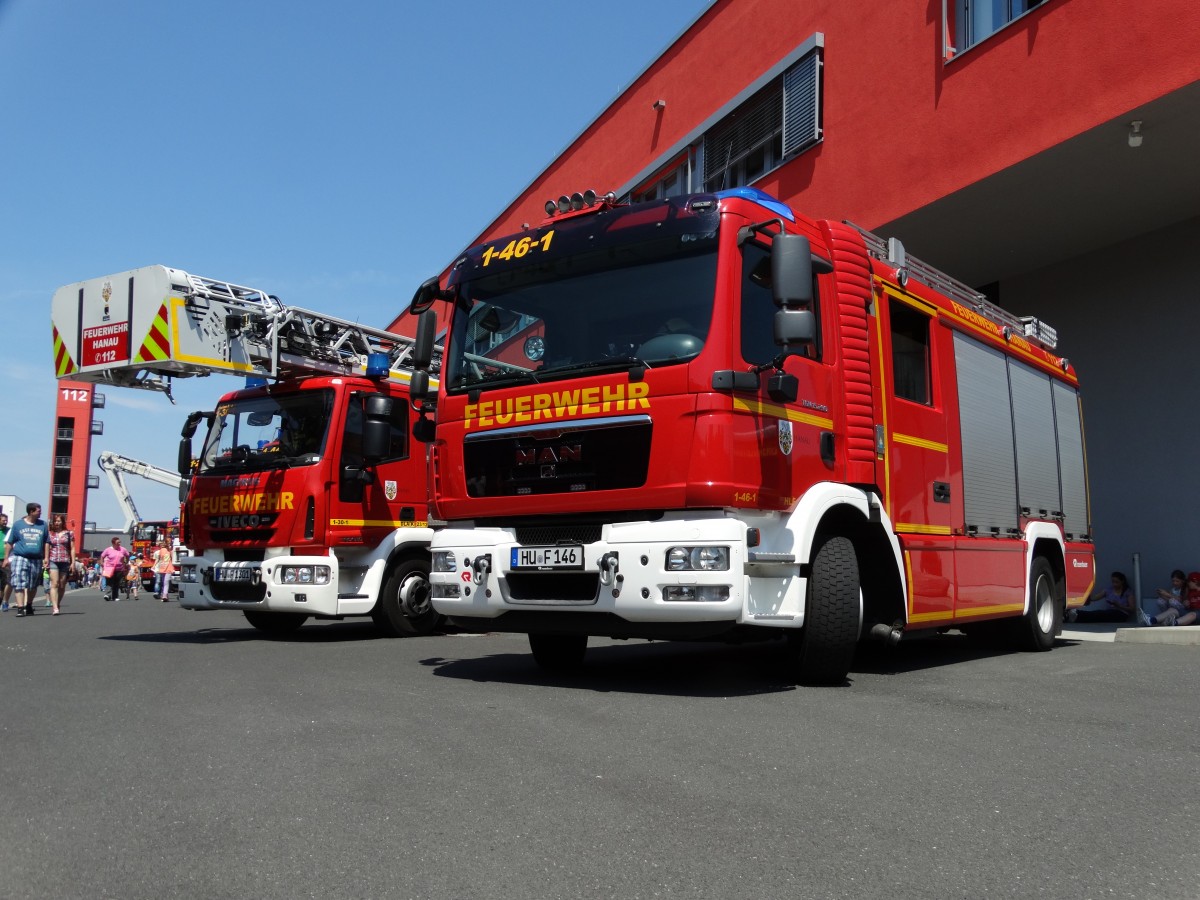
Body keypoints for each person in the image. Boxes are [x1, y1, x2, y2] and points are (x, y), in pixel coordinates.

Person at [1, 503, 49, 617]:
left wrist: (46, 557)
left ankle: (28, 604)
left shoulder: (43, 525)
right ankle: (20, 607)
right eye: (38, 511)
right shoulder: (18, 525)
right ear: (31, 512)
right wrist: (6, 558)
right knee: (18, 582)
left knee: (32, 585)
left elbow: (47, 542)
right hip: (20, 557)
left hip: (36, 558)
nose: (40, 513)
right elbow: (9, 542)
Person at [1067, 571, 1136, 623]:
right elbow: (1095, 597)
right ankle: (1075, 615)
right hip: (1110, 612)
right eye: (1113, 582)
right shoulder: (1109, 590)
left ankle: (1076, 616)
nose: (1114, 584)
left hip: (1121, 614)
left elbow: (1132, 609)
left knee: (1100, 614)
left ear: (1122, 582)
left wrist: (1119, 606)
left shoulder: (1128, 592)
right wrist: (1086, 597)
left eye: (1116, 582)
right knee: (1099, 614)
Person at [45, 514, 75, 615]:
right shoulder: (50, 534)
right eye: (55, 521)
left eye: (59, 521)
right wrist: (46, 559)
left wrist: (73, 563)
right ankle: (54, 607)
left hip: (65, 560)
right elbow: (47, 546)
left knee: (62, 585)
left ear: (63, 522)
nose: (57, 523)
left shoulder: (69, 533)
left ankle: (57, 603)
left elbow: (72, 548)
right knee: (55, 583)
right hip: (53, 560)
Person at [99, 536, 132, 602]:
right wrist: (102, 563)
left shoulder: (123, 549)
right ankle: (108, 595)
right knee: (109, 582)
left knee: (116, 583)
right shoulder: (108, 549)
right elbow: (102, 556)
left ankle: (115, 596)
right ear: (113, 543)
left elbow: (127, 555)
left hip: (119, 569)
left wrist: (126, 563)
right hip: (109, 568)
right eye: (118, 542)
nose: (119, 543)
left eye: (120, 542)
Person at [0, 512, 10, 611]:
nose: (5, 522)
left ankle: (3, 600)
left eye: (6, 520)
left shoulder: (9, 531)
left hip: (4, 559)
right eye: (3, 520)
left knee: (6, 581)